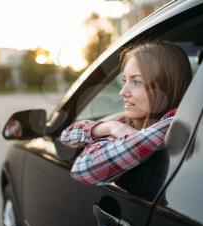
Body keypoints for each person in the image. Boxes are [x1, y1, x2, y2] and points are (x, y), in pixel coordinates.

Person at [60, 40, 192, 187]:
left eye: (137, 82)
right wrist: (110, 127)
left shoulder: (171, 125)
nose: (122, 92)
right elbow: (66, 135)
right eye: (125, 80)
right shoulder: (129, 120)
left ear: (166, 86)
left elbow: (83, 170)